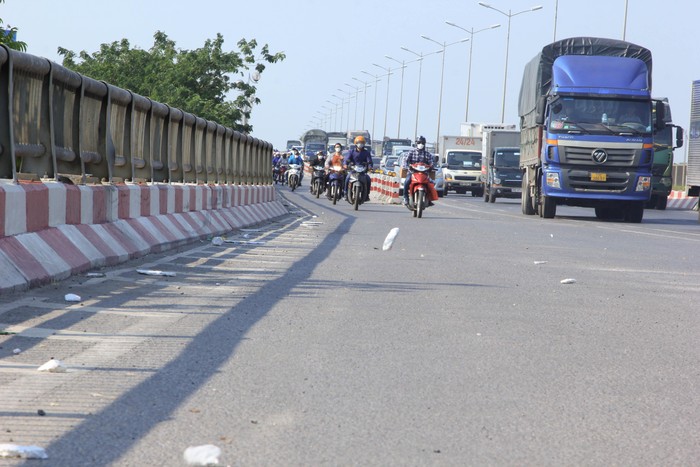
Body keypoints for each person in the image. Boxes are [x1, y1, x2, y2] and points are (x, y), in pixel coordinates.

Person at [401, 135, 438, 206]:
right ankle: (405, 198)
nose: (421, 144)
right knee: (406, 182)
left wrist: (431, 167)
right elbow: (405, 161)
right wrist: (406, 166)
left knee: (431, 183)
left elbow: (432, 162)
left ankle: (429, 199)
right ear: (416, 143)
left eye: (422, 143)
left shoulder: (427, 154)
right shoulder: (411, 152)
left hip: (424, 174)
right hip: (412, 173)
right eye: (419, 142)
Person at [343, 135, 373, 201]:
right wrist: (345, 164)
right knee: (347, 177)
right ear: (356, 143)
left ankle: (367, 195)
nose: (360, 144)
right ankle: (345, 193)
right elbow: (346, 159)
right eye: (359, 142)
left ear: (364, 144)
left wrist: (370, 167)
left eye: (362, 143)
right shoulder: (351, 151)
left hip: (362, 171)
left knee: (368, 179)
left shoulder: (366, 153)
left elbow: (369, 161)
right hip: (353, 170)